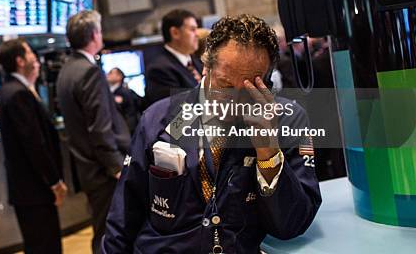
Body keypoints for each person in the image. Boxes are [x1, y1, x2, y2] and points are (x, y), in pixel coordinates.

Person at [102, 15, 322, 253]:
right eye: (225, 86)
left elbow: (292, 224)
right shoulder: (158, 118)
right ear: (206, 65)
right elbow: (123, 217)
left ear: (267, 82)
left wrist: (268, 152)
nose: (234, 101)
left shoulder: (288, 119)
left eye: (250, 89)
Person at [56, 10, 131, 254]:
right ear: (94, 35)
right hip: (103, 170)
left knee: (102, 230)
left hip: (87, 167)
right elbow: (99, 127)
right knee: (109, 235)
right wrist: (116, 166)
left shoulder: (66, 71)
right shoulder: (89, 71)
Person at [0, 39, 66, 254]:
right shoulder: (18, 94)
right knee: (45, 246)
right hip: (35, 189)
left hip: (28, 190)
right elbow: (35, 143)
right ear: (19, 60)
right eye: (29, 53)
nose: (34, 57)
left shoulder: (13, 89)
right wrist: (54, 182)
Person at [144, 9, 202, 107]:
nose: (197, 34)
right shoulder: (159, 70)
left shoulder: (196, 62)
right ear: (175, 33)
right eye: (192, 29)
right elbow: (177, 116)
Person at [106, 67, 141, 135]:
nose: (107, 75)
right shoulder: (111, 92)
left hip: (127, 128)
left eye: (111, 73)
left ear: (119, 77)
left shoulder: (124, 92)